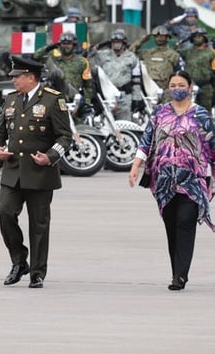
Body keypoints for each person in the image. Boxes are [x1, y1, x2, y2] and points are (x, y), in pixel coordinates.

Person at [0, 55, 73, 289]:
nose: (14, 81)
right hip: (13, 171)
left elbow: (65, 136)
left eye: (17, 77)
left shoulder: (52, 100)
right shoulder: (11, 100)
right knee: (5, 213)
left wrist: (51, 156)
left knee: (38, 225)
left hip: (40, 172)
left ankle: (37, 272)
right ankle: (19, 260)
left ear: (31, 77)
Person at [128, 71, 215, 291]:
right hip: (163, 181)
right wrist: (136, 165)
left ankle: (180, 275)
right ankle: (176, 269)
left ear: (190, 86)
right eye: (173, 84)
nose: (177, 88)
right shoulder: (160, 113)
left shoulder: (201, 115)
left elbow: (213, 147)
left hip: (193, 181)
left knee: (185, 222)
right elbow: (146, 141)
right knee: (171, 226)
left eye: (181, 84)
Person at [35, 32, 95, 109]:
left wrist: (86, 103)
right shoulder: (53, 60)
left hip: (74, 100)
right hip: (54, 99)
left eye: (69, 44)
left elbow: (88, 85)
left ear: (74, 45)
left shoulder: (82, 62)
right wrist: (49, 48)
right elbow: (36, 56)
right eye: (63, 43)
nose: (66, 46)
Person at [91, 29, 140, 120]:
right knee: (107, 124)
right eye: (114, 42)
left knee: (125, 124)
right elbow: (90, 62)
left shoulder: (132, 57)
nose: (116, 44)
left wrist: (137, 99)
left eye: (118, 41)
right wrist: (95, 48)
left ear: (124, 43)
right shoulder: (102, 55)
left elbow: (136, 79)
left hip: (125, 98)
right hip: (107, 97)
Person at [130, 25, 181, 96]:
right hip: (149, 90)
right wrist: (144, 39)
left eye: (162, 36)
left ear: (167, 37)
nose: (159, 38)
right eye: (156, 36)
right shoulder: (147, 53)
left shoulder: (173, 54)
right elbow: (130, 53)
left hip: (166, 92)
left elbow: (179, 73)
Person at [179, 28, 215, 111]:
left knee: (204, 114)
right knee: (187, 113)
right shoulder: (187, 52)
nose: (197, 38)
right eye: (195, 36)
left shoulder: (211, 52)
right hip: (189, 87)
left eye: (199, 36)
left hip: (206, 87)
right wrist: (182, 41)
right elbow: (173, 53)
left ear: (205, 37)